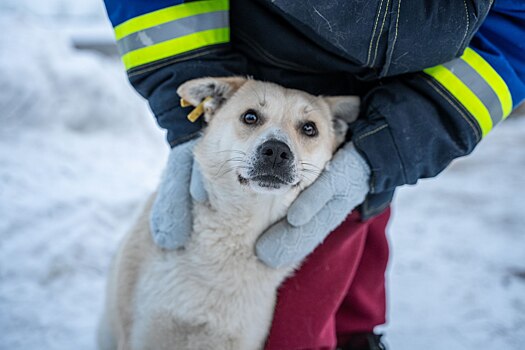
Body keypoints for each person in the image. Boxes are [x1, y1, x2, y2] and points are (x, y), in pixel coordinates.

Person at [102, 1, 525, 349]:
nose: (276, 145)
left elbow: (513, 28)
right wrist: (181, 83)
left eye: (305, 131)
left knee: (333, 324)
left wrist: (386, 147)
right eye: (252, 119)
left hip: (388, 102)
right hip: (238, 45)